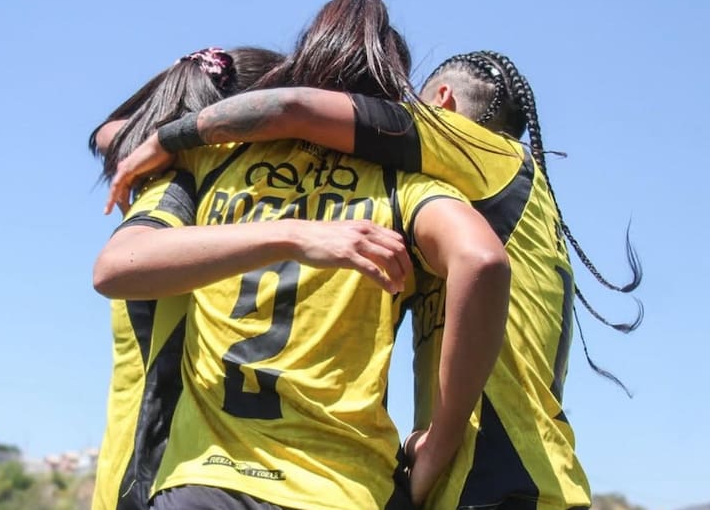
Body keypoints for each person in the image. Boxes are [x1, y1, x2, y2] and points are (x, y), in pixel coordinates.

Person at [107, 49, 643, 508]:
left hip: (502, 479)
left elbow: (296, 109)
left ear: (443, 106)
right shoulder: (493, 199)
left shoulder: (484, 154)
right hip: (509, 476)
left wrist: (173, 139)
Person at [94, 0, 511, 510]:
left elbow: (115, 266)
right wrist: (440, 443)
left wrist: (282, 232)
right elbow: (483, 259)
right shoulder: (407, 189)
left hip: (208, 483)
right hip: (345, 488)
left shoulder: (216, 161)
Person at [89, 46, 284, 510]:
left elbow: (108, 133)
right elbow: (106, 135)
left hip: (184, 474)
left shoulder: (177, 179)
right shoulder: (180, 189)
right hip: (154, 473)